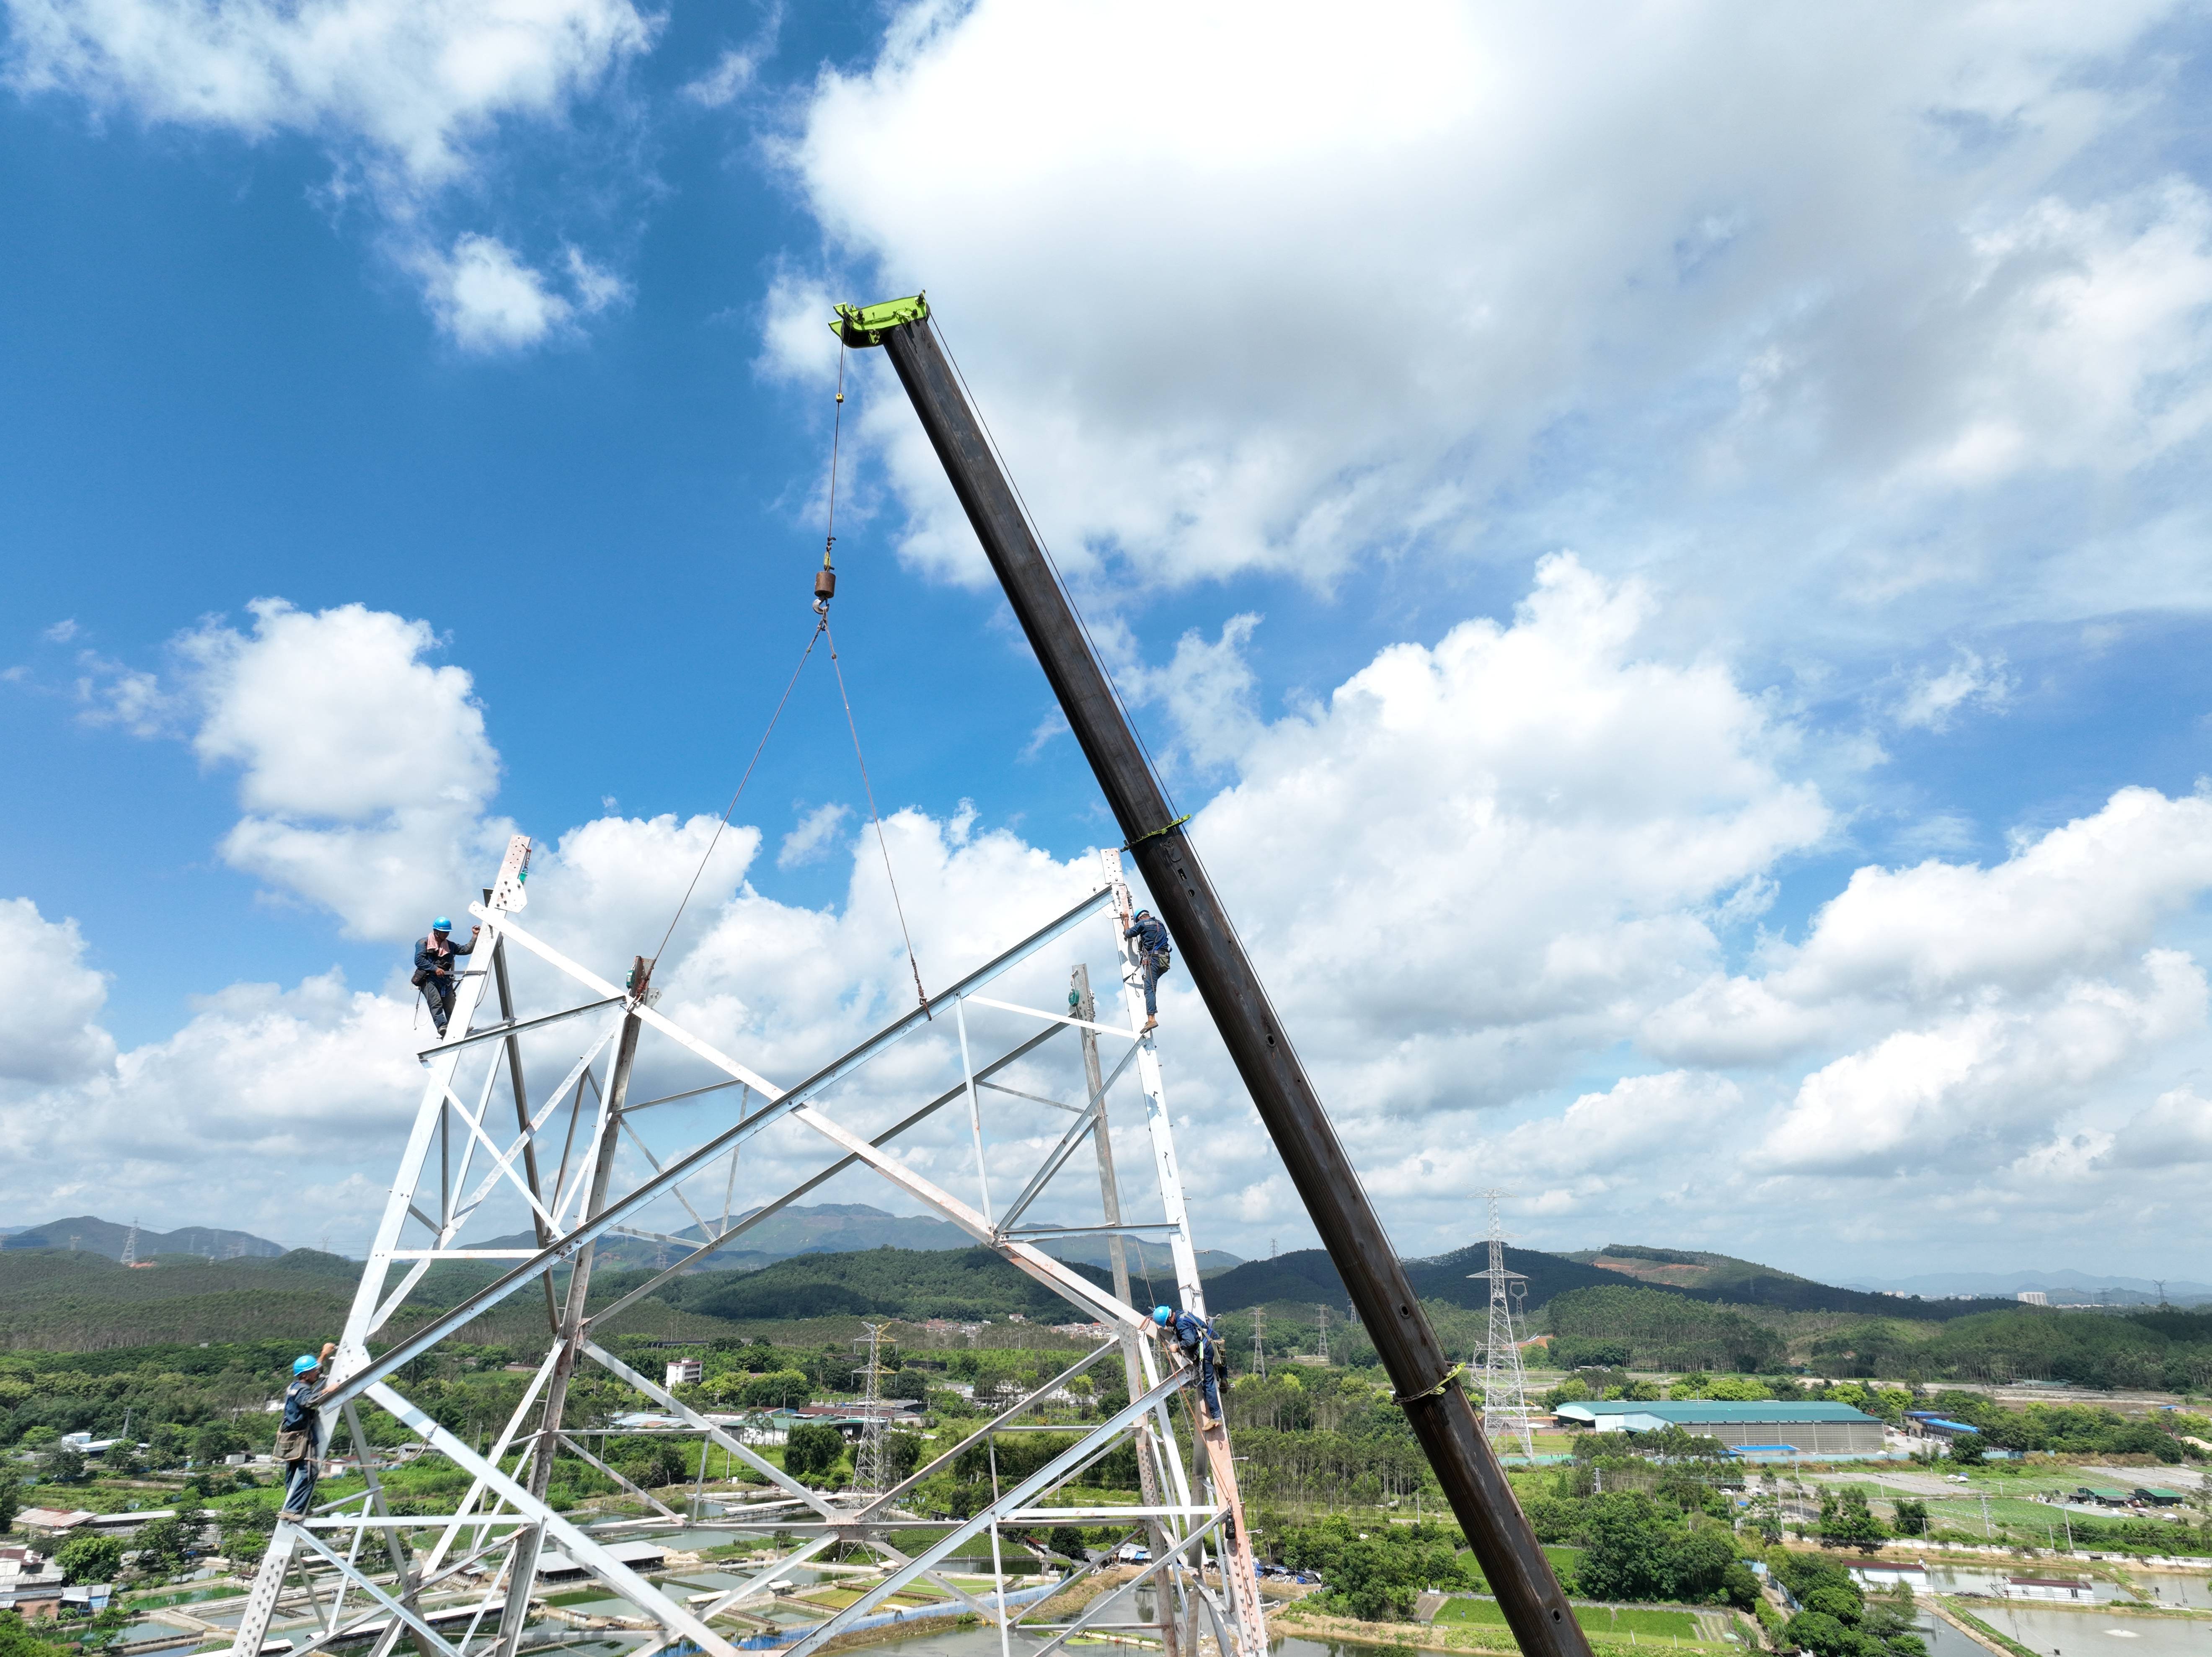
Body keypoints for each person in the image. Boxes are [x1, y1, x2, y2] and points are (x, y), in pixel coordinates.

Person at [276, 1342, 338, 1518]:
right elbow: (309, 1401)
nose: (318, 1373)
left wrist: (323, 1354)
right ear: (305, 1375)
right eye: (314, 1372)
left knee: (293, 1473)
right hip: (301, 1438)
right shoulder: (303, 1391)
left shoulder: (296, 1386)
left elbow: (313, 1373)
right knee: (309, 1472)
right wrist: (328, 1391)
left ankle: (292, 1507)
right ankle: (293, 1509)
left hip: (290, 1438)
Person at [1151, 1304, 1221, 1425]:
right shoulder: (1181, 1314)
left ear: (1168, 1320)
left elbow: (1190, 1341)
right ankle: (1224, 1378)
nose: (1168, 1326)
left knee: (1207, 1383)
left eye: (1167, 1324)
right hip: (1213, 1339)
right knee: (1220, 1367)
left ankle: (1217, 1418)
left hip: (1205, 1350)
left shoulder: (1180, 1324)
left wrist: (1177, 1346)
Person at [412, 916, 481, 1036]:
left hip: (445, 981)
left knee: (451, 1005)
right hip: (429, 979)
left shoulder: (450, 946)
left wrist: (475, 936)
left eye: (447, 932)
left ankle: (458, 1026)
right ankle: (442, 1026)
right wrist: (435, 969)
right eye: (444, 932)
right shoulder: (423, 943)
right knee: (436, 1003)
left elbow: (466, 950)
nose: (446, 935)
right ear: (436, 932)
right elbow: (419, 961)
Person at [1123, 909, 1171, 1035]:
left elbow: (1128, 933)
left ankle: (1151, 1019)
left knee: (1149, 989)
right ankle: (1152, 1012)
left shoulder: (1142, 924)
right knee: (1151, 987)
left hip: (1153, 960)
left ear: (1139, 919)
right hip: (1165, 962)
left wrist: (1126, 919)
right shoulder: (1160, 924)